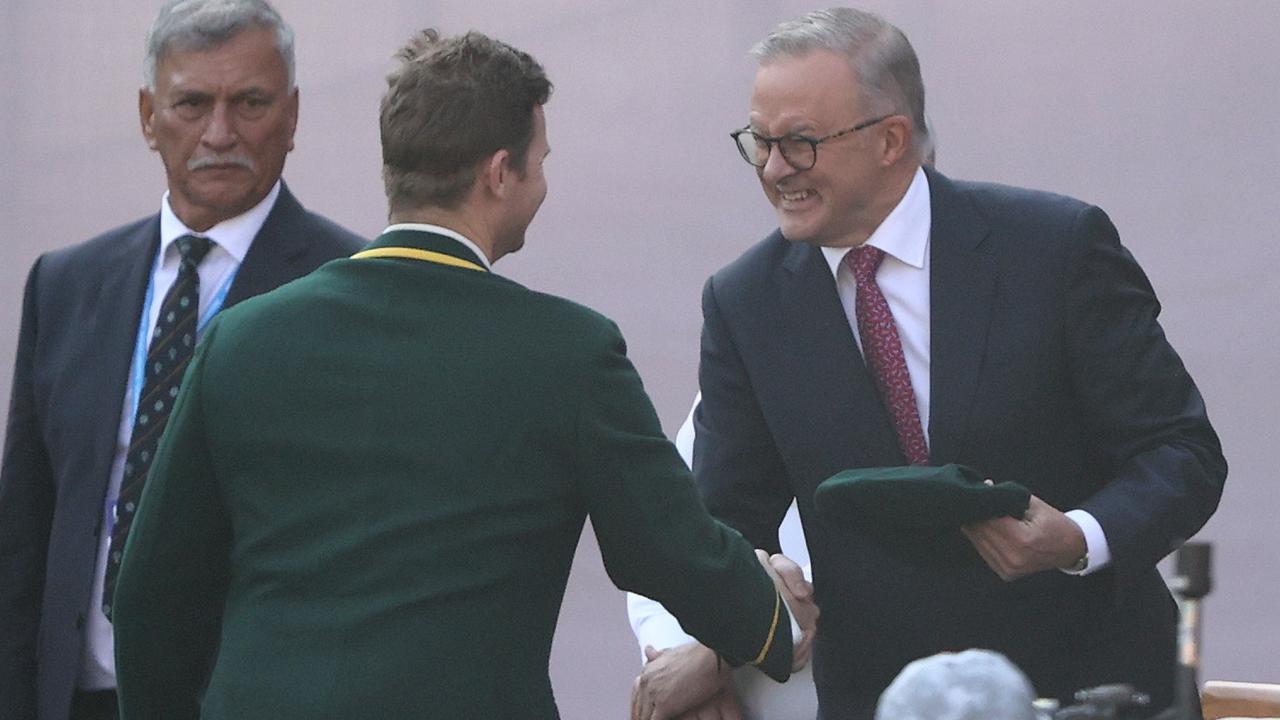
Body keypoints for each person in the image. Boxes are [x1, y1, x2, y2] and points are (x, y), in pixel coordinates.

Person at [109, 28, 816, 720]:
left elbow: (150, 598)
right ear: (499, 172)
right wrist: (773, 621)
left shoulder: (242, 338)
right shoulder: (568, 353)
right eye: (540, 161)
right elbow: (670, 551)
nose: (542, 182)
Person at [678, 7, 1225, 720]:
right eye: (760, 141)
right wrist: (753, 594)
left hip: (1090, 686)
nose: (775, 169)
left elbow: (1181, 454)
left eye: (800, 143)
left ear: (890, 139)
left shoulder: (1055, 249)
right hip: (881, 700)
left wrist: (1077, 537)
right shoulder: (744, 303)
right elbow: (722, 524)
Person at [0, 2, 365, 719]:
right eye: (193, 103)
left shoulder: (351, 286)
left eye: (250, 103)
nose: (220, 133)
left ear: (291, 117)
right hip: (77, 699)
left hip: (252, 700)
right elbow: (24, 536)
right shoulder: (66, 284)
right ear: (147, 116)